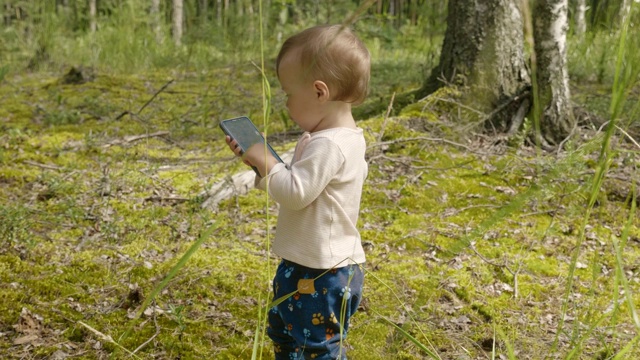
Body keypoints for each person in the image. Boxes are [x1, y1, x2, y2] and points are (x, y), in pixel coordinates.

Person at [225, 24, 370, 360]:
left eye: (288, 93)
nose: (286, 102)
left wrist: (268, 162)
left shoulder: (330, 145)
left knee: (316, 346)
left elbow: (296, 193)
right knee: (283, 328)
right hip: (307, 263)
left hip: (323, 271)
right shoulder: (338, 138)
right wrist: (263, 169)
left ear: (319, 92)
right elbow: (303, 187)